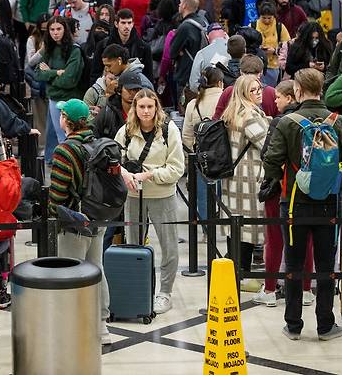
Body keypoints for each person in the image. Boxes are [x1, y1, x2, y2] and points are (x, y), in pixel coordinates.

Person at [263, 68, 342, 341]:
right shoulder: (339, 122)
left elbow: (271, 161)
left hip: (294, 202)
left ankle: (293, 325)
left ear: (297, 91)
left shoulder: (286, 122)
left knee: (294, 265)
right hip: (329, 204)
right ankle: (325, 325)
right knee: (325, 266)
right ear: (321, 90)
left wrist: (280, 178)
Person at [48, 98, 112, 345]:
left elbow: (57, 194)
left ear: (66, 120)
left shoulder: (65, 150)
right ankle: (102, 326)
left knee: (71, 273)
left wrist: (54, 213)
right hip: (99, 217)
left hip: (75, 221)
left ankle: (72, 328)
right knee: (97, 268)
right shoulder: (97, 143)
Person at [115, 89, 184, 314]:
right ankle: (139, 289)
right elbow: (115, 162)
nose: (146, 111)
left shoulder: (168, 130)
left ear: (157, 108)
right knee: (134, 244)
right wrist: (126, 174)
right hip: (133, 197)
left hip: (162, 196)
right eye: (141, 107)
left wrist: (150, 174)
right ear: (134, 108)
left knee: (169, 246)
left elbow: (176, 169)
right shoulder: (125, 131)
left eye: (150, 107)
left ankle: (165, 292)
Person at [254, 80, 315, 307]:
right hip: (307, 189)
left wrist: (275, 176)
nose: (275, 101)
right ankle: (307, 290)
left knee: (274, 239)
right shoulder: (313, 120)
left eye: (278, 97)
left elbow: (267, 154)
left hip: (280, 190)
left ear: (290, 97)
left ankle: (270, 290)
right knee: (307, 240)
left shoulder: (280, 122)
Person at [218, 74, 269, 285]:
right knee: (246, 229)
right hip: (248, 178)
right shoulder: (249, 115)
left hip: (233, 177)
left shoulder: (232, 113)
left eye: (259, 88)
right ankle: (243, 275)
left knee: (235, 226)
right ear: (243, 93)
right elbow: (266, 143)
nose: (259, 93)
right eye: (253, 90)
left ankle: (236, 273)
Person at [182, 66, 224, 236]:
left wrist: (188, 159)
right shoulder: (226, 99)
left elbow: (186, 135)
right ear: (220, 82)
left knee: (202, 195)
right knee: (222, 192)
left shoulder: (193, 104)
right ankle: (224, 225)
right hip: (223, 155)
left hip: (201, 155)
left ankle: (208, 229)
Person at [34, 16, 84, 159]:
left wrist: (49, 75)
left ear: (65, 29)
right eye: (52, 29)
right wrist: (56, 72)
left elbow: (69, 80)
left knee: (72, 138)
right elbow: (38, 73)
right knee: (60, 137)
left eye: (59, 29)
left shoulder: (74, 50)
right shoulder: (48, 49)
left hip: (71, 99)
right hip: (54, 98)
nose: (55, 32)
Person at [91, 9, 154, 83]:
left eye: (129, 22)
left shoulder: (143, 47)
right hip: (108, 87)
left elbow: (148, 76)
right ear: (116, 24)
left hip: (134, 89)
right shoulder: (103, 45)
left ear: (133, 23)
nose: (127, 26)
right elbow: (95, 73)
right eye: (123, 23)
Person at [169, 0, 208, 99]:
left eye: (180, 2)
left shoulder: (185, 27)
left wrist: (181, 52)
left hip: (185, 75)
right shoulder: (204, 22)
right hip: (202, 74)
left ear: (185, 5)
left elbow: (172, 52)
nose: (179, 5)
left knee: (184, 110)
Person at [254, 1, 290, 87]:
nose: (266, 20)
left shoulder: (279, 27)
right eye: (264, 18)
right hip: (256, 66)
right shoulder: (253, 25)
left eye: (269, 18)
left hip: (274, 66)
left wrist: (275, 51)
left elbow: (288, 46)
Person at [188, 23, 230, 92]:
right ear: (225, 35)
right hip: (231, 96)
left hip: (211, 96)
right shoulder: (234, 50)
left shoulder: (201, 54)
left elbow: (193, 85)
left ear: (207, 37)